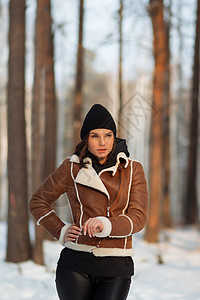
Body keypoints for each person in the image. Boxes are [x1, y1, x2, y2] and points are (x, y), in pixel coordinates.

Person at [29, 104, 148, 300]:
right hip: (75, 263)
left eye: (108, 135)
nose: (102, 142)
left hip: (116, 266)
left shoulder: (133, 169)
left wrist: (106, 224)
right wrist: (60, 230)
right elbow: (38, 201)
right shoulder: (71, 167)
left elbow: (139, 217)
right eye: (95, 136)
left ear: (114, 137)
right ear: (86, 139)